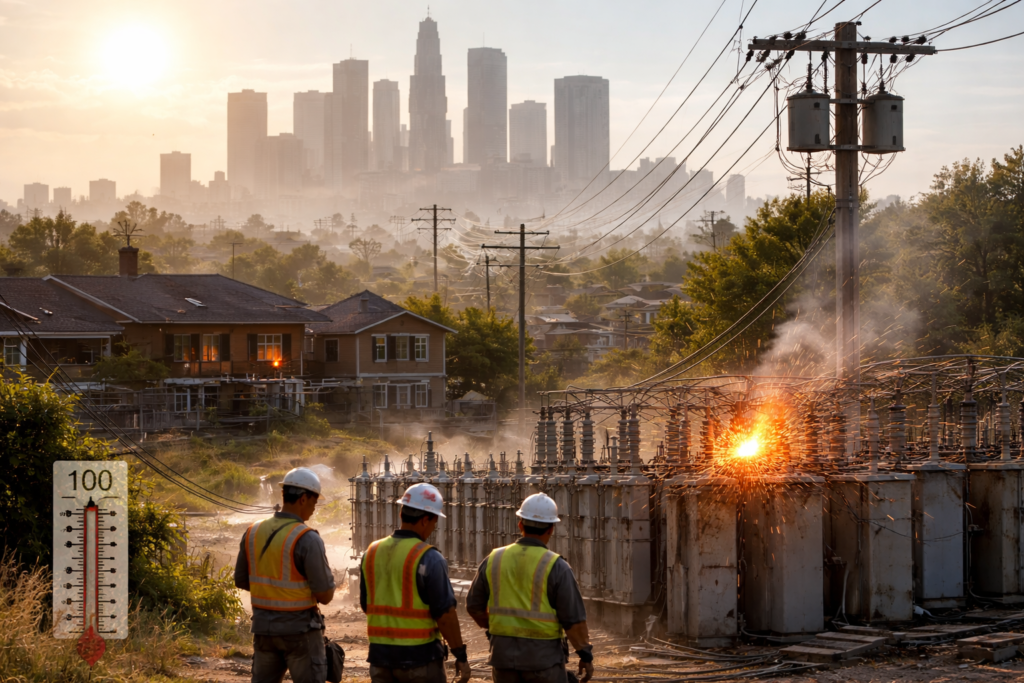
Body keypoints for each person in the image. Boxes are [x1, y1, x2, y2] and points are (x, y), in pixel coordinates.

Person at [466, 493, 594, 683]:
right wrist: (585, 656)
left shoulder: (494, 559)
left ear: (520, 525)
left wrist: (495, 628)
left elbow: (473, 605)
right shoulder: (556, 566)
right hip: (543, 662)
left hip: (503, 660)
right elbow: (573, 619)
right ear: (551, 529)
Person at [360, 482, 472, 683]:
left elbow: (365, 604)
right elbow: (445, 615)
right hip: (420, 660)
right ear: (424, 520)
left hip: (379, 659)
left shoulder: (371, 552)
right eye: (434, 521)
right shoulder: (429, 558)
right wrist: (460, 656)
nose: (433, 527)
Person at [234, 467, 335, 683]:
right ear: (303, 498)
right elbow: (325, 595)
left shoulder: (252, 531)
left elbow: (241, 579)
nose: (313, 509)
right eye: (314, 503)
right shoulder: (307, 538)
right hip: (300, 632)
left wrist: (272, 592)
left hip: (263, 630)